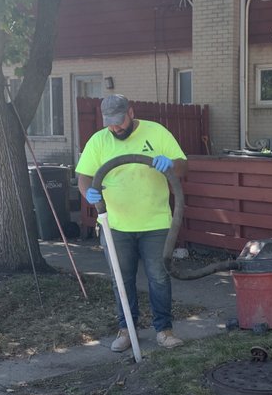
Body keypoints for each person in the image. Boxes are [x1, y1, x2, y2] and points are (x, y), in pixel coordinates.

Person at [76, 93, 188, 351]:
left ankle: (164, 331)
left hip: (156, 224)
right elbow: (84, 176)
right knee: (121, 280)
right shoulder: (99, 141)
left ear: (131, 113)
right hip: (115, 225)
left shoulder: (156, 132)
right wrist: (88, 193)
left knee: (159, 277)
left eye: (119, 121)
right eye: (110, 123)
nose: (115, 128)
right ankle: (126, 331)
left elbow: (183, 167)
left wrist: (170, 163)